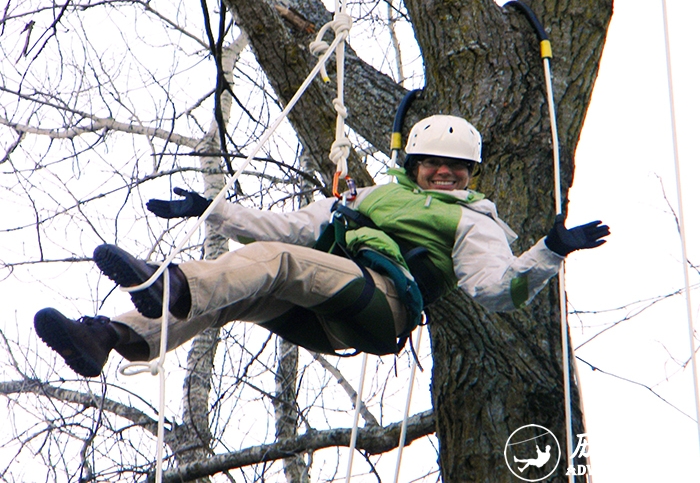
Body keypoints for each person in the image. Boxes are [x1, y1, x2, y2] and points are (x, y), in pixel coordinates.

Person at [34, 115, 610, 377]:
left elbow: (497, 290)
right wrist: (210, 209)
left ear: (470, 174)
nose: (445, 173)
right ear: (413, 163)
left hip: (383, 305)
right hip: (324, 307)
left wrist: (549, 250)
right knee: (237, 291)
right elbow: (290, 226)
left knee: (277, 265)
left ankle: (175, 285)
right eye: (434, 163)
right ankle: (108, 337)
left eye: (457, 168)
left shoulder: (473, 220)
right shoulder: (370, 197)